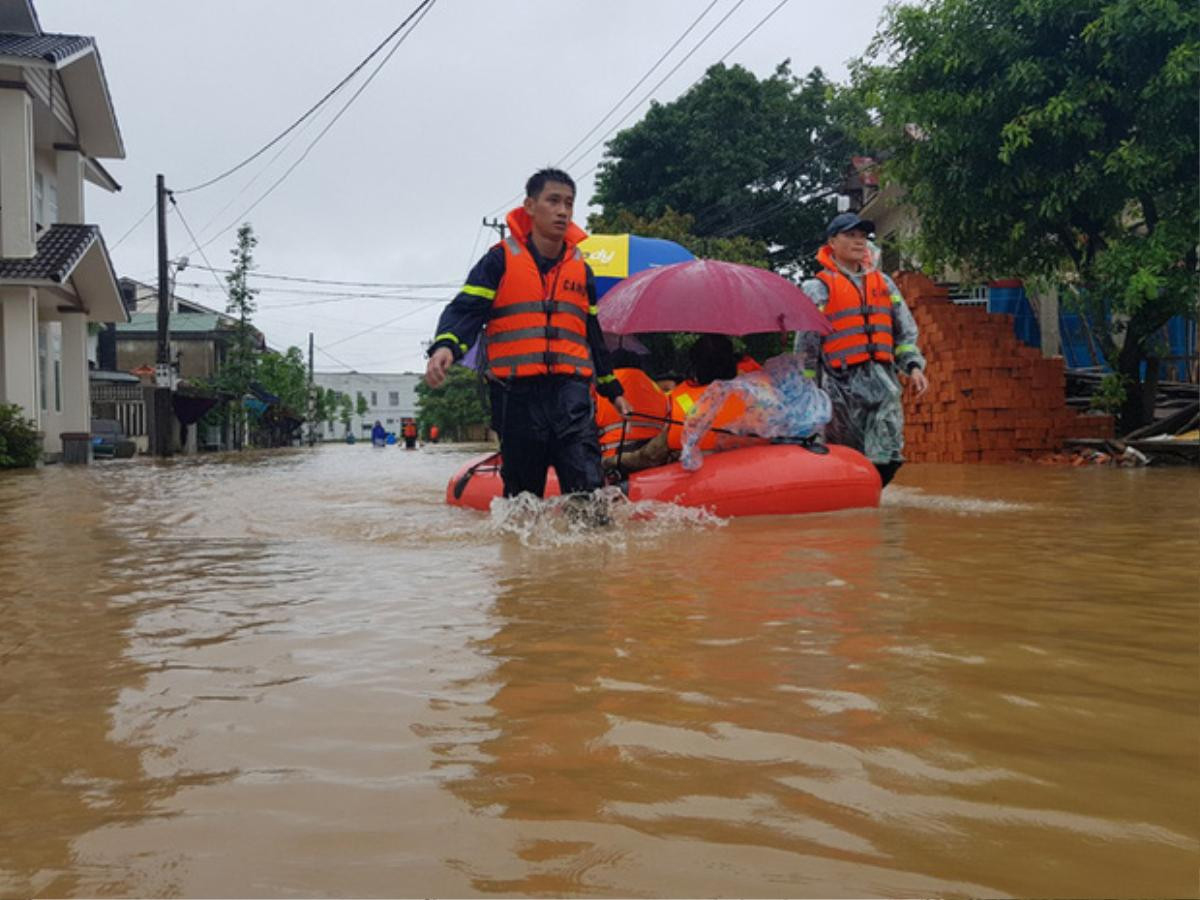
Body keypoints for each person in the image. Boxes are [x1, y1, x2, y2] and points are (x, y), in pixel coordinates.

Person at [425, 168, 632, 497]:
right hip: (516, 395)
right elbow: (465, 309)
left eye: (569, 203)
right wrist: (445, 347)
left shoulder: (582, 269)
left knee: (590, 494)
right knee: (523, 501)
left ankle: (591, 549)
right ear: (530, 206)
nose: (563, 211)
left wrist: (613, 388)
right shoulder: (499, 261)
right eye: (553, 201)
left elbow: (591, 335)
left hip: (572, 396)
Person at [795, 212, 929, 486]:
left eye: (862, 237)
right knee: (848, 455)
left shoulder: (884, 284)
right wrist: (807, 391)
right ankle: (854, 508)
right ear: (832, 241)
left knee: (889, 453)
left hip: (883, 382)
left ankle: (874, 502)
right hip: (841, 386)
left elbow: (904, 332)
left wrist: (913, 366)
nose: (859, 242)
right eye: (850, 236)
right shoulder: (818, 288)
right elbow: (807, 347)